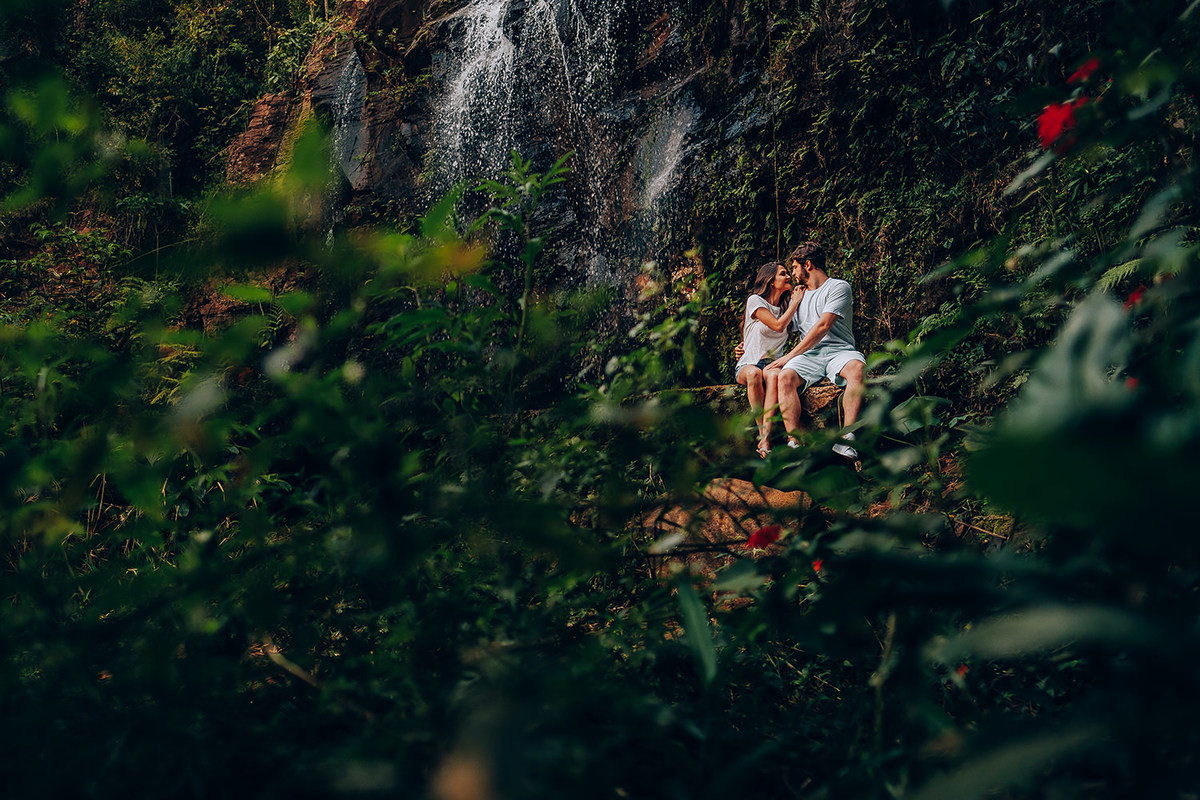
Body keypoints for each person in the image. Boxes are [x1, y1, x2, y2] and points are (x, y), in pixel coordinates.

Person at [765, 242, 866, 459]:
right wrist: (747, 350)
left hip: (839, 350)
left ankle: (847, 439)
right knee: (785, 378)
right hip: (808, 355)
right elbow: (781, 329)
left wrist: (789, 356)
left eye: (794, 267)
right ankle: (794, 442)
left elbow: (822, 327)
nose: (792, 273)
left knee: (857, 368)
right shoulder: (797, 296)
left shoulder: (839, 287)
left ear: (808, 265)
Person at [735, 261, 802, 458]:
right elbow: (778, 326)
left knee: (774, 376)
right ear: (771, 281)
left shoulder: (787, 307)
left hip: (773, 362)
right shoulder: (755, 301)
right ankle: (763, 436)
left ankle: (770, 438)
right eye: (783, 274)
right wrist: (796, 302)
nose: (788, 276)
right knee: (755, 374)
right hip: (749, 363)